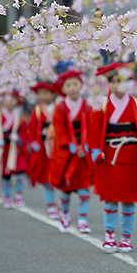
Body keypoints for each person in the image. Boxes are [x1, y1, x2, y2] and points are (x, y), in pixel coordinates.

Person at [89, 62, 137, 253]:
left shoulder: (136, 104)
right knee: (110, 198)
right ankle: (109, 235)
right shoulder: (101, 105)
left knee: (129, 199)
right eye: (114, 81)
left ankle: (126, 236)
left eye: (122, 80)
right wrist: (95, 149)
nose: (118, 84)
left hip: (131, 156)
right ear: (108, 84)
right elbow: (94, 131)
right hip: (109, 156)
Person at [48, 70, 93, 233]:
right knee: (65, 190)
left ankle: (82, 219)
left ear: (81, 85)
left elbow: (91, 125)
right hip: (66, 152)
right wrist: (69, 143)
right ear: (63, 89)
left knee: (83, 189)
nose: (72, 88)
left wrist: (87, 144)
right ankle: (65, 216)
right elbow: (59, 128)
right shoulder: (60, 107)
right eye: (68, 85)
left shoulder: (87, 106)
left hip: (83, 152)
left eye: (75, 84)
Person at [0, 91, 29, 208]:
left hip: (15, 149)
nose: (10, 102)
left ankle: (19, 195)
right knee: (5, 175)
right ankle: (7, 195)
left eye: (13, 99)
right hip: (3, 149)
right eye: (7, 99)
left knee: (20, 173)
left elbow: (25, 133)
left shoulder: (20, 118)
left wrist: (19, 138)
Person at [27, 81, 59, 219]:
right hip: (44, 150)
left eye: (46, 93)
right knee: (47, 178)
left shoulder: (58, 108)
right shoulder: (38, 111)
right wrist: (33, 142)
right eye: (40, 93)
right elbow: (32, 129)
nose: (43, 96)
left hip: (57, 147)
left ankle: (62, 205)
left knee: (59, 177)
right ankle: (51, 205)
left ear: (53, 94)